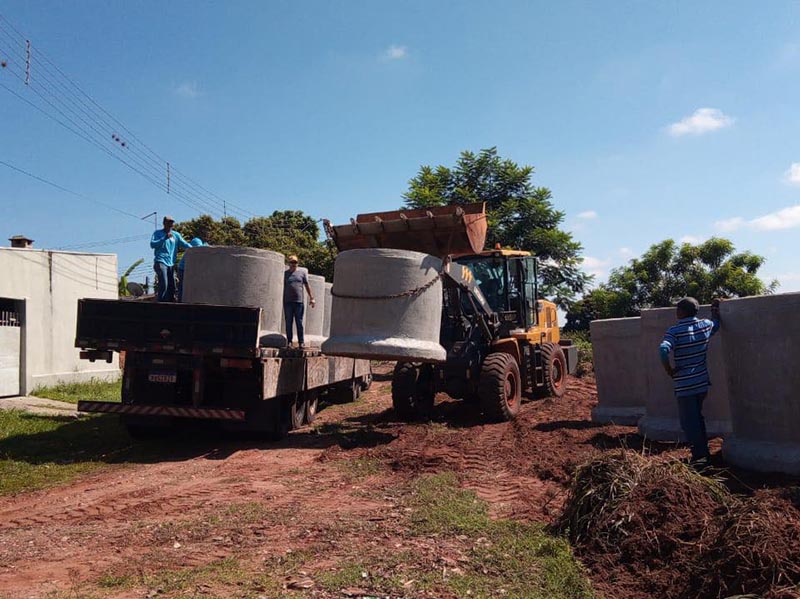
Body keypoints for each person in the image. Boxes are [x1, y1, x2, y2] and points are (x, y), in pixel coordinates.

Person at [659, 296, 722, 466]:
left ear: (681, 312)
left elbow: (663, 350)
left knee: (689, 423)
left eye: (677, 309)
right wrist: (715, 310)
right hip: (701, 382)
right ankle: (704, 453)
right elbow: (716, 324)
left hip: (684, 385)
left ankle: (700, 458)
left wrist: (669, 370)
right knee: (697, 418)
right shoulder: (705, 325)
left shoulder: (674, 331)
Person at [150, 216, 191, 302]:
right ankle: (160, 303)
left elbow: (184, 244)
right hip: (160, 261)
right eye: (169, 223)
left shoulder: (176, 235)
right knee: (164, 283)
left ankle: (170, 302)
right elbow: (152, 244)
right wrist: (164, 238)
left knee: (172, 285)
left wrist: (195, 249)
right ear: (164, 223)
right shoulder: (157, 233)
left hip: (171, 264)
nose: (170, 225)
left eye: (172, 223)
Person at [283, 255, 315, 348]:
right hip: (288, 302)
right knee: (288, 322)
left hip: (299, 302)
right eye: (292, 262)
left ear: (297, 263)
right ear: (289, 263)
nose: (293, 264)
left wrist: (312, 298)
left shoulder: (302, 273)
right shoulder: (285, 274)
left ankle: (301, 342)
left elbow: (307, 285)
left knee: (299, 322)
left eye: (295, 262)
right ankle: (289, 341)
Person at [177, 237, 206, 302]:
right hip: (182, 269)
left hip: (188, 269)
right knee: (182, 285)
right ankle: (180, 301)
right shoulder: (190, 253)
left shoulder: (196, 252)